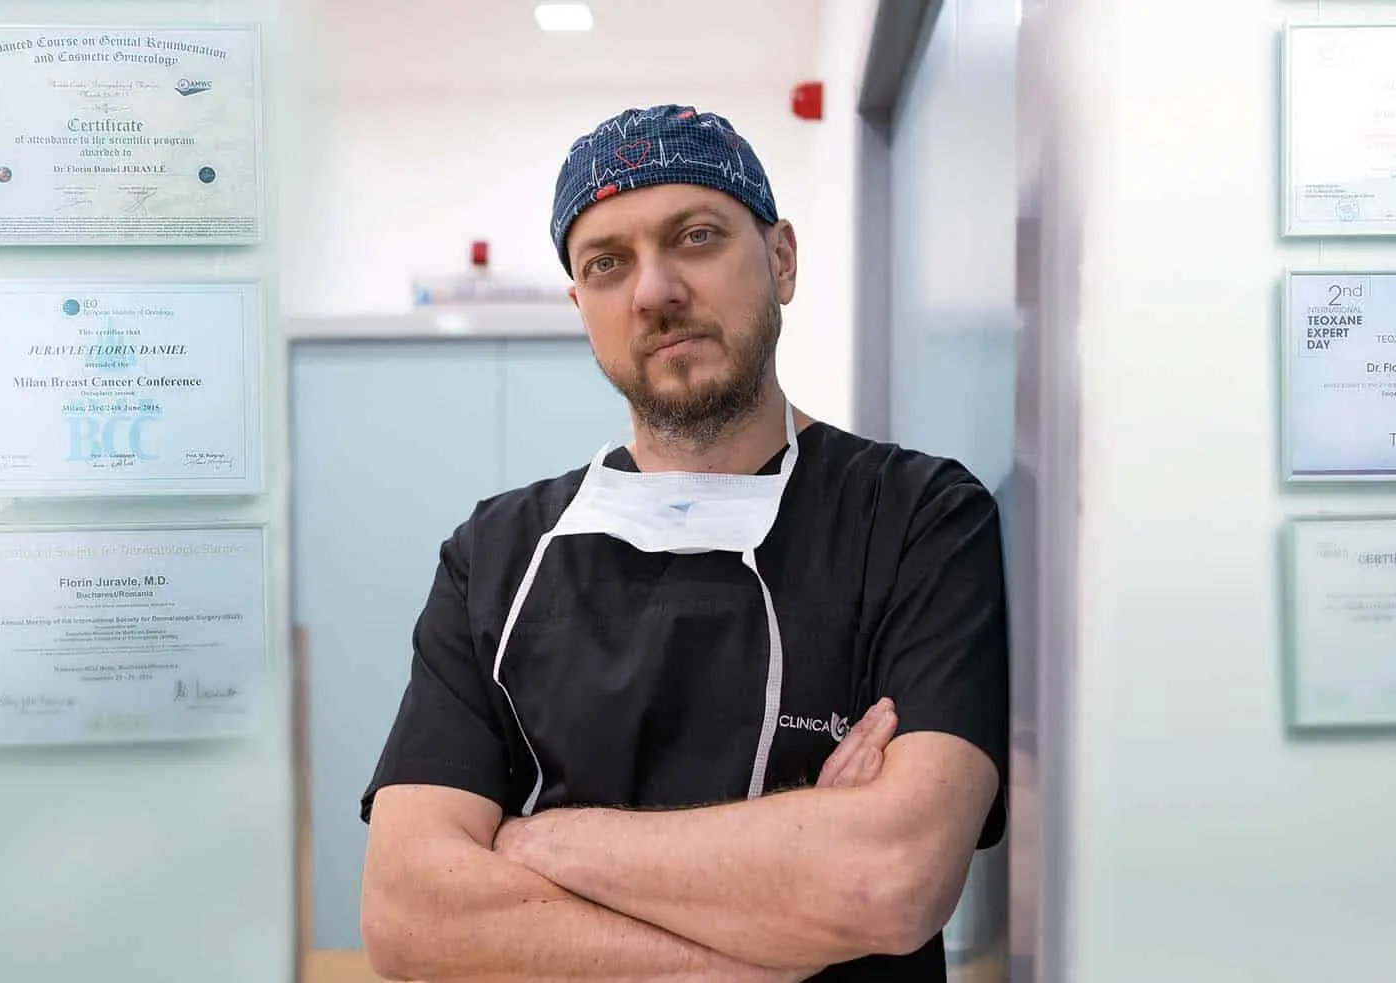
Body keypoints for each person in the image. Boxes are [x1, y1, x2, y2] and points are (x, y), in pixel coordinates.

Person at [358, 103, 1010, 982]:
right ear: (581, 306)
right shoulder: (496, 556)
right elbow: (410, 913)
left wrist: (542, 841)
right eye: (607, 263)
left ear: (782, 260)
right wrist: (783, 916)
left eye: (696, 237)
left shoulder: (919, 518)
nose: (654, 291)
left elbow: (887, 878)